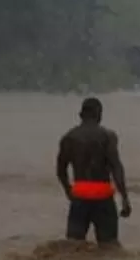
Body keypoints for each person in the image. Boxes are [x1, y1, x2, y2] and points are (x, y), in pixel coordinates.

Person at [56, 98, 132, 247]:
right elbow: (116, 167)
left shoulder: (69, 138)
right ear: (99, 114)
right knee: (109, 248)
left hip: (80, 195)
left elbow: (60, 170)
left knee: (73, 246)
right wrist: (124, 198)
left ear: (80, 115)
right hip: (103, 196)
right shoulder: (108, 136)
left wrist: (68, 190)